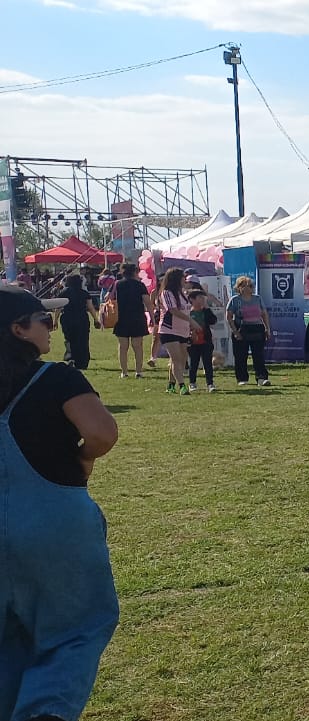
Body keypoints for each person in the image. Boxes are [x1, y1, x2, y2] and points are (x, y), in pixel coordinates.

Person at [0, 285, 120, 721]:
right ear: (17, 329)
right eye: (42, 322)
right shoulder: (58, 377)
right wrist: (84, 457)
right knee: (75, 631)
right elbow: (102, 433)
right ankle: (45, 711)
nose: (50, 330)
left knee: (7, 639)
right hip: (55, 524)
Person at [226, 275, 272, 386]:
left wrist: (267, 329)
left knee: (258, 355)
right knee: (241, 355)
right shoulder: (235, 300)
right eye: (244, 286)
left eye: (250, 286)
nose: (248, 288)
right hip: (242, 328)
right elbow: (229, 316)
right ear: (239, 287)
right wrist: (235, 332)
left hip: (257, 328)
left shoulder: (258, 299)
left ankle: (261, 377)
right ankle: (242, 378)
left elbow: (264, 314)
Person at [155, 268, 193, 395]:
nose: (185, 280)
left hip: (183, 330)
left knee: (182, 359)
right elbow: (173, 310)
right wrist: (190, 320)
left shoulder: (183, 293)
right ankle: (182, 386)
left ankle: (171, 384)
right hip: (169, 330)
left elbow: (187, 309)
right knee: (176, 358)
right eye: (183, 277)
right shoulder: (166, 293)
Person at [111, 263, 152, 378]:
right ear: (135, 272)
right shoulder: (140, 285)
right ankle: (138, 371)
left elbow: (109, 298)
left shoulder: (117, 284)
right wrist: (152, 317)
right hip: (137, 317)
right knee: (138, 346)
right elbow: (147, 302)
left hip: (121, 318)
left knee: (123, 346)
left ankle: (124, 372)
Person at [58, 273, 100, 370]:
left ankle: (71, 358)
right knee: (83, 340)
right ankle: (83, 361)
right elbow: (90, 307)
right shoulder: (84, 293)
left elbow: (58, 308)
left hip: (67, 319)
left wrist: (55, 320)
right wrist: (96, 319)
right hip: (82, 319)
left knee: (69, 339)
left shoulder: (64, 292)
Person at [185, 288, 218, 392]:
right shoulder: (188, 313)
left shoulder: (205, 311)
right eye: (199, 297)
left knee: (207, 363)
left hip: (206, 340)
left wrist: (207, 308)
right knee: (193, 363)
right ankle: (192, 383)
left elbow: (213, 321)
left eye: (203, 297)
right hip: (193, 341)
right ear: (192, 299)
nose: (202, 299)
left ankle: (210, 383)